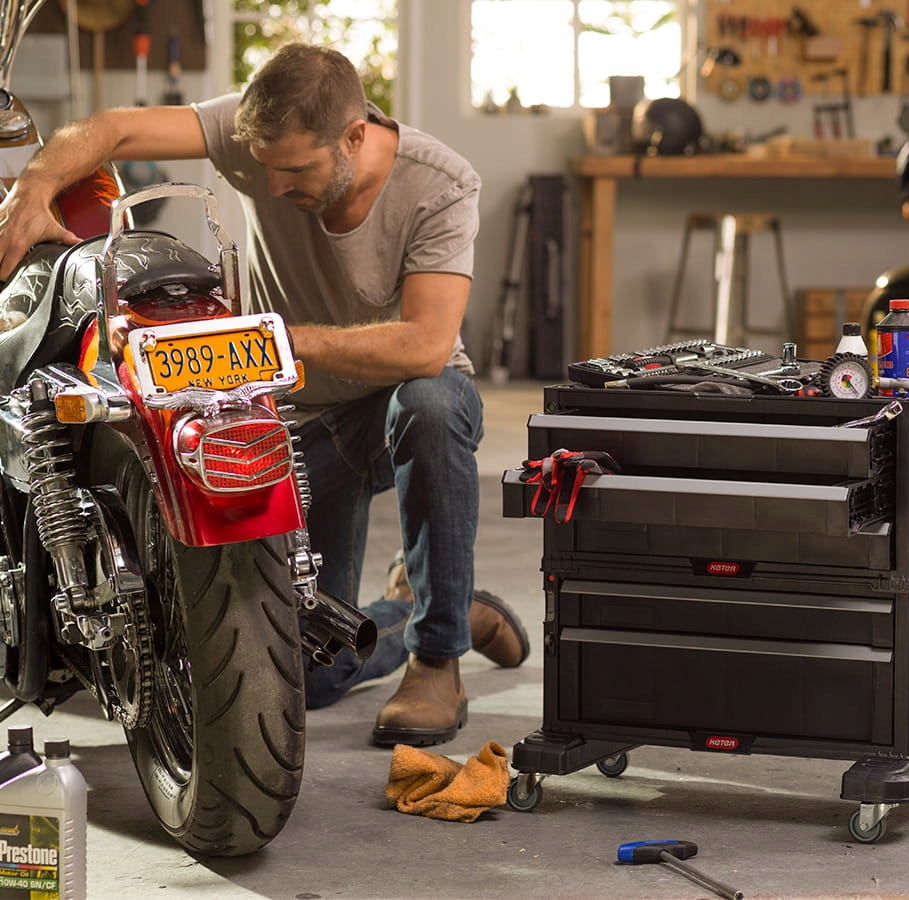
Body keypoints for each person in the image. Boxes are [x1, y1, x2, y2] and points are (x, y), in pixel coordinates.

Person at [0, 43, 528, 747]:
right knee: (303, 673)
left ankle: (438, 656)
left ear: (355, 136)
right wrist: (32, 189)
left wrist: (269, 336)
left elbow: (425, 346)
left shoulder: (440, 184)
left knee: (432, 404)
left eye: (297, 170)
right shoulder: (259, 140)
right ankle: (447, 610)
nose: (274, 187)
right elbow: (111, 129)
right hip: (299, 422)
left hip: (395, 409)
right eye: (264, 166)